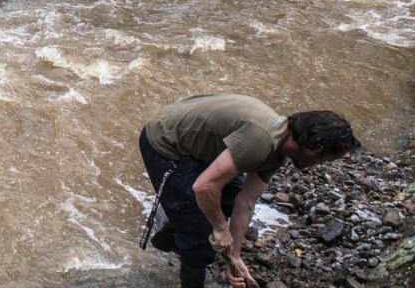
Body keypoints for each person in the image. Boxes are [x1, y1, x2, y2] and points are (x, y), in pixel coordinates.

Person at [139, 94, 359, 288]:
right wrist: (220, 229)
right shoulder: (261, 140)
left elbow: (245, 202)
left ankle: (172, 235)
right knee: (199, 238)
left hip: (197, 144)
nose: (320, 165)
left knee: (225, 203)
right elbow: (204, 186)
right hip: (165, 141)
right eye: (325, 159)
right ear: (316, 148)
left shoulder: (279, 151)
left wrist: (233, 256)